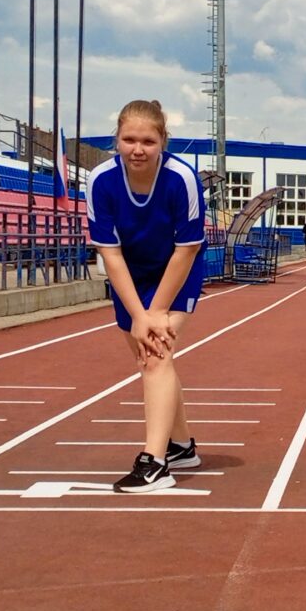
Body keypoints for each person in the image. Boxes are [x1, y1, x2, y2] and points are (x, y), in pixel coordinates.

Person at [85, 99, 206, 492]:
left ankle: (154, 463)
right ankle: (182, 445)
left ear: (163, 141)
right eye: (129, 139)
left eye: (148, 141)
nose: (138, 149)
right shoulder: (100, 180)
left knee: (155, 355)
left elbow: (186, 248)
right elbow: (110, 252)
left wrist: (154, 313)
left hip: (176, 270)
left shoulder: (181, 178)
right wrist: (139, 313)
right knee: (153, 358)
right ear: (116, 140)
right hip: (130, 277)